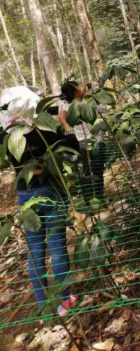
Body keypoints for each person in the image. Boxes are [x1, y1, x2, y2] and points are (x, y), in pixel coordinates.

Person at [0, 86, 80, 316]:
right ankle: (65, 302)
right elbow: (73, 148)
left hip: (26, 197)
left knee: (35, 251)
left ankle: (43, 305)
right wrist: (64, 122)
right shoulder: (45, 129)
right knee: (56, 246)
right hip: (51, 191)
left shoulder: (7, 136)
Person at [59, 81, 108, 204]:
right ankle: (99, 198)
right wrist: (92, 95)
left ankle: (88, 200)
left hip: (78, 143)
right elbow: (103, 108)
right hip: (94, 140)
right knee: (96, 170)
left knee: (84, 172)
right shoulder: (87, 103)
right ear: (76, 91)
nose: (82, 89)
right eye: (79, 87)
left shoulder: (64, 106)